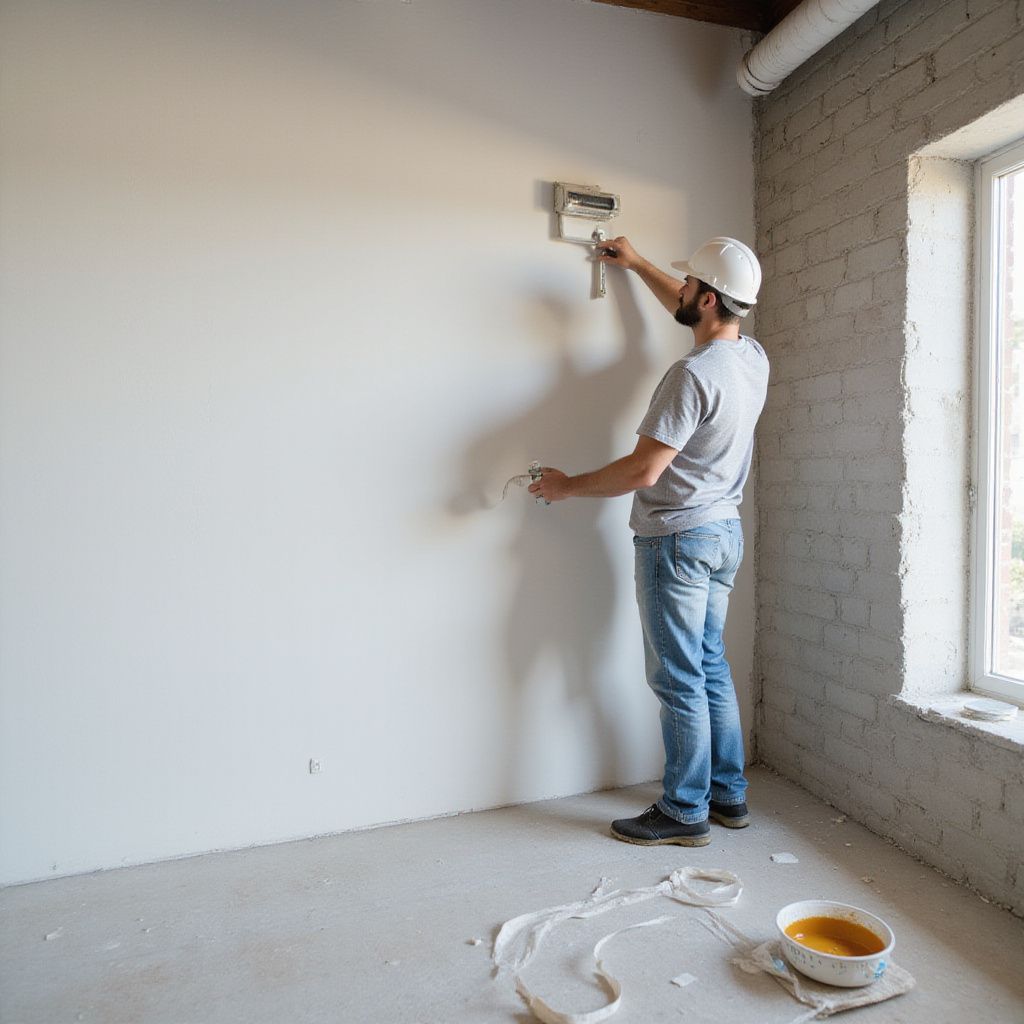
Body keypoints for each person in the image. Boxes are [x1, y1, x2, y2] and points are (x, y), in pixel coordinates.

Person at [528, 235, 769, 847]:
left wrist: (567, 487)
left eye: (690, 286)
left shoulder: (691, 374)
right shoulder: (751, 358)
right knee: (709, 664)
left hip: (678, 540)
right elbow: (688, 308)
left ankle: (685, 810)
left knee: (678, 677)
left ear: (709, 299)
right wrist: (636, 267)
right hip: (723, 535)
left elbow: (643, 471)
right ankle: (727, 794)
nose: (681, 290)